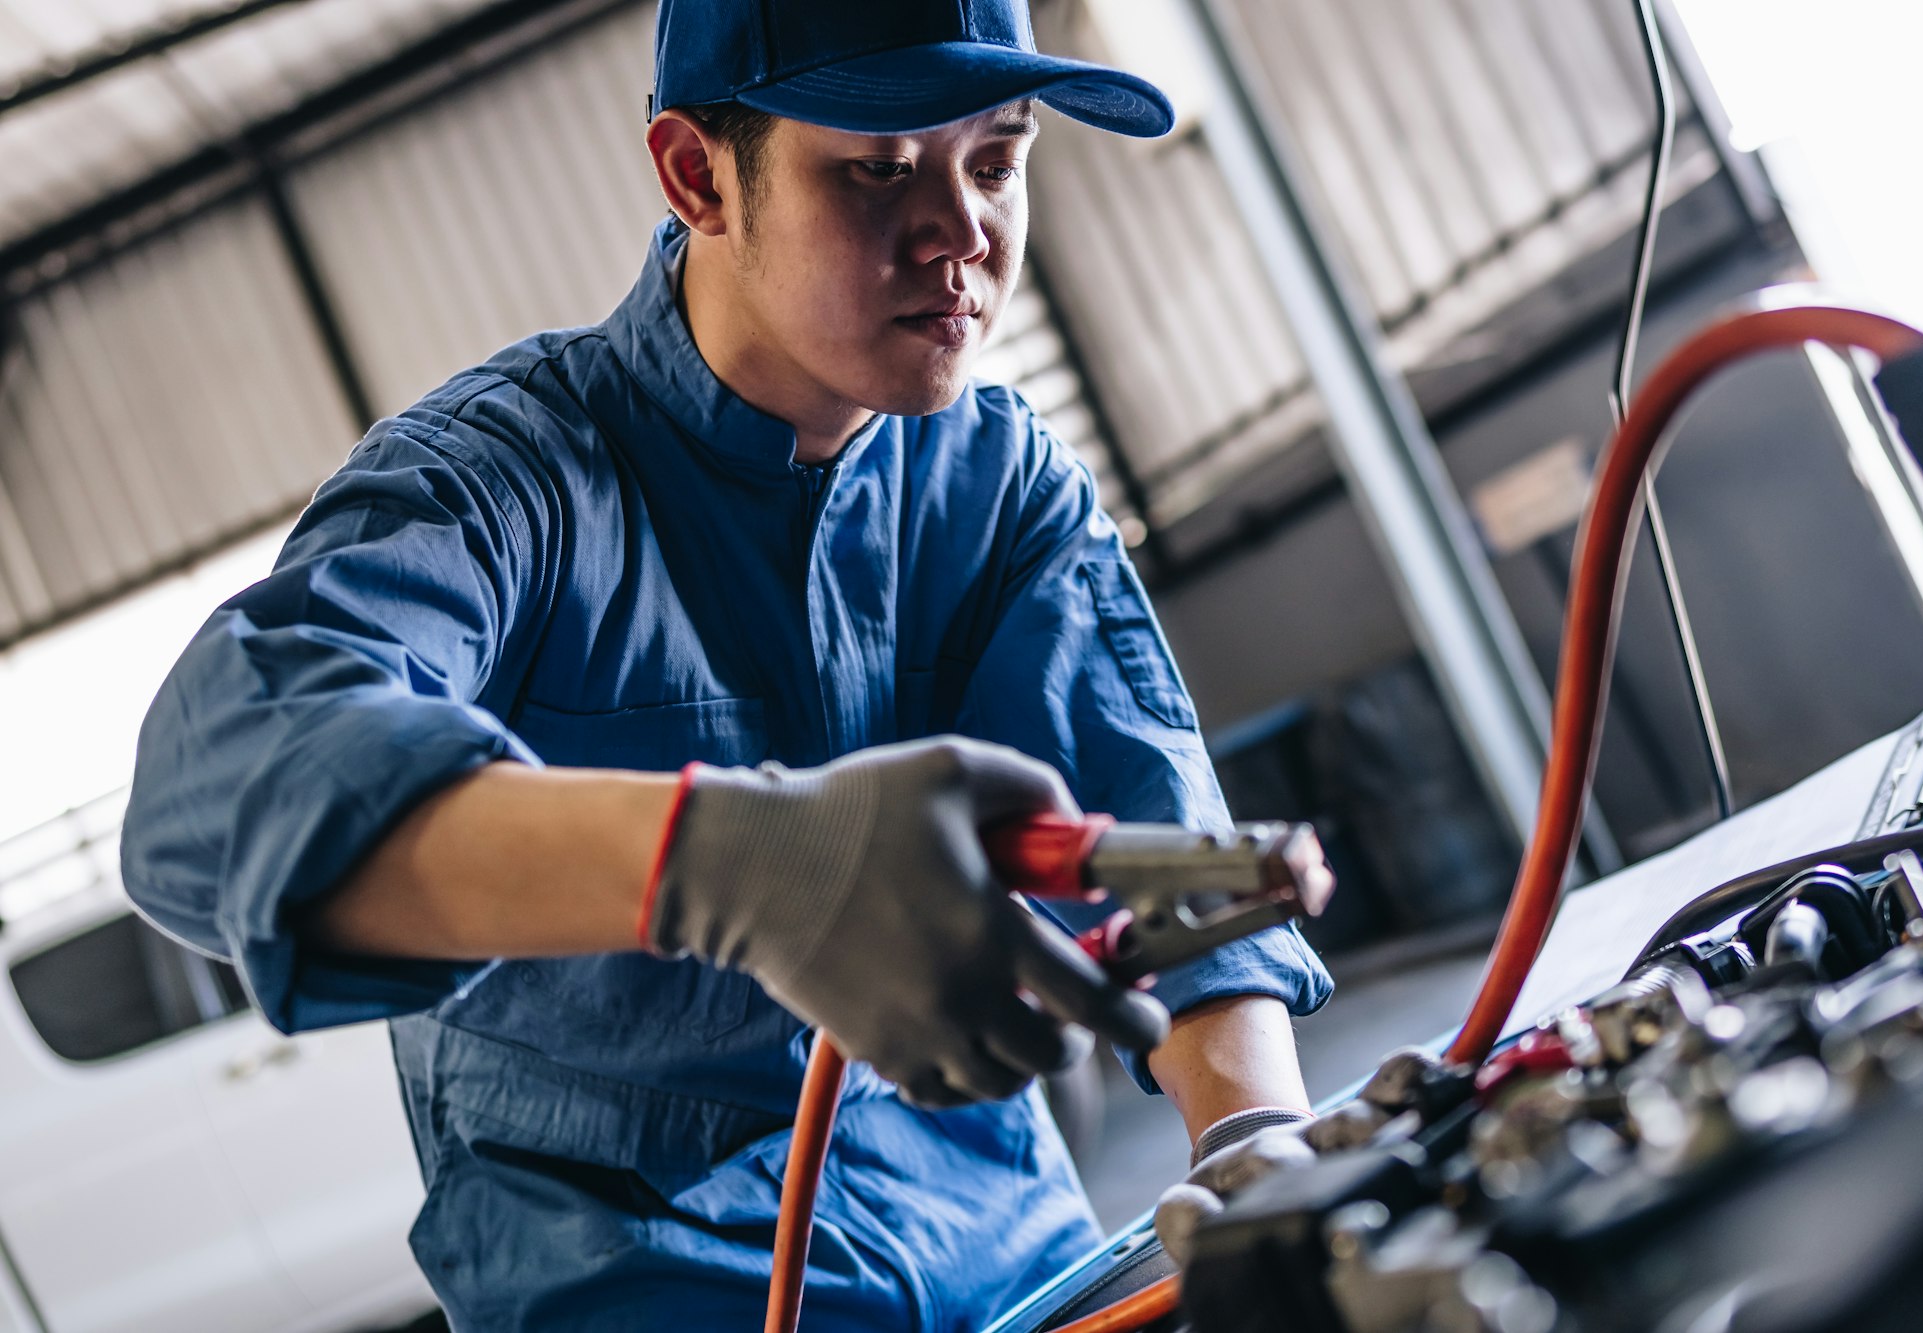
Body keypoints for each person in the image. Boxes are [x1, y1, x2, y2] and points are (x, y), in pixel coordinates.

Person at [121, 2, 1333, 1328]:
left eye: (995, 160)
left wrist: (1256, 1140)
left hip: (1018, 1268)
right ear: (698, 175)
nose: (962, 233)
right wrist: (734, 868)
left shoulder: (998, 487)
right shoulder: (500, 488)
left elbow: (1162, 846)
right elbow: (217, 792)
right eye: (879, 167)